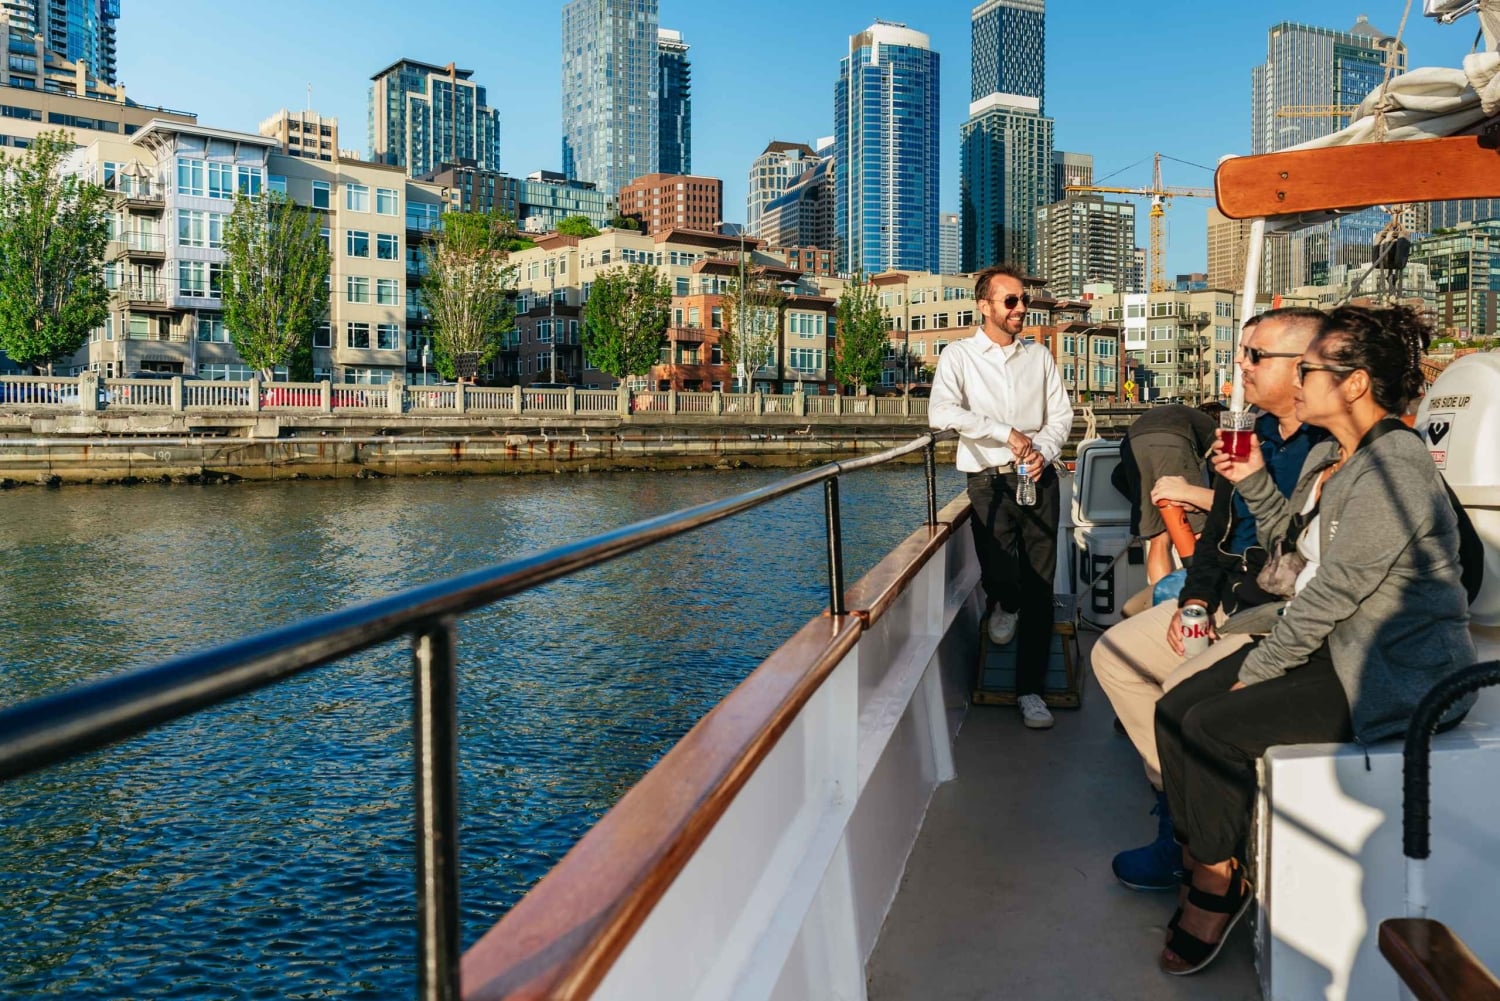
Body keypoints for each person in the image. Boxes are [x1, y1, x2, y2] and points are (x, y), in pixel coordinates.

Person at [1155, 304, 1476, 975]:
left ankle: (1217, 883)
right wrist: (1254, 485)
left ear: (1355, 384)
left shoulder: (1397, 467)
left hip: (1393, 669)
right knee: (1173, 709)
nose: (1294, 381)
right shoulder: (1334, 455)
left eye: (1307, 370)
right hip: (1334, 645)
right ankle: (1205, 854)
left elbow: (1335, 591)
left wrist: (1262, 667)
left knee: (1213, 725)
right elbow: (1292, 552)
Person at [1091, 307, 1331, 889]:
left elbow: (1303, 555)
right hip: (1229, 594)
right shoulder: (1247, 435)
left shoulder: (1331, 447)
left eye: (1254, 355)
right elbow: (1215, 539)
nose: (1240, 366)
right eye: (1241, 353)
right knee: (1113, 657)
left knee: (1179, 691)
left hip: (1277, 609)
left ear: (1302, 368)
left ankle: (1206, 839)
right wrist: (1195, 602)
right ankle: (1178, 808)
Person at [929, 263, 1074, 730]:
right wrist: (1004, 433)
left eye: (1023, 300)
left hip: (1039, 477)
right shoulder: (958, 356)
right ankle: (1002, 603)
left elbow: (1061, 417)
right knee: (1002, 573)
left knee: (1040, 587)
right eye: (1010, 301)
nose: (1020, 309)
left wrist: (1043, 451)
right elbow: (940, 413)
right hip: (988, 479)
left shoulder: (1040, 358)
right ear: (985, 306)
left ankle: (1029, 692)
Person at [1111, 402, 1220, 616]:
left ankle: (1161, 610)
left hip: (1132, 443)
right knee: (1195, 531)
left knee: (1158, 538)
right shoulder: (1210, 426)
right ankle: (1198, 607)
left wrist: (1144, 500)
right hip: (1171, 441)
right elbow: (1219, 468)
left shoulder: (1177, 413)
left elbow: (1117, 476)